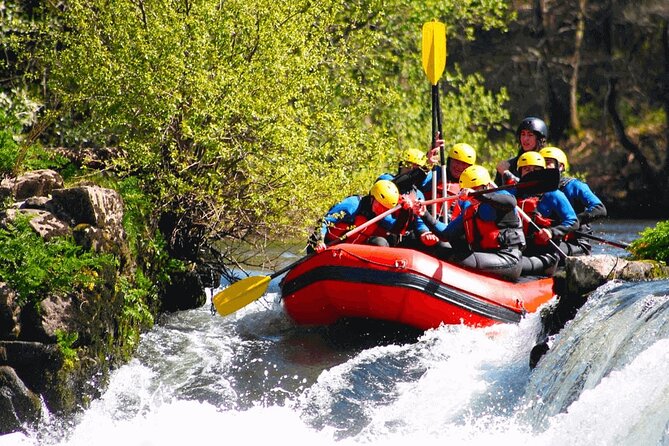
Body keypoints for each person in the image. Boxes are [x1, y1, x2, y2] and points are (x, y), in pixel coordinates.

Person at [410, 165, 526, 281]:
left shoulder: (501, 197)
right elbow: (445, 234)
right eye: (469, 190)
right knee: (441, 248)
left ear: (486, 186)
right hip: (486, 257)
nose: (472, 194)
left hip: (508, 258)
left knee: (457, 258)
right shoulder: (470, 210)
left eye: (476, 189)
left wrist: (479, 195)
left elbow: (511, 202)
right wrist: (424, 214)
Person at [513, 152, 578, 276]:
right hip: (520, 251)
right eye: (526, 169)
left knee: (513, 264)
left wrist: (551, 232)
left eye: (535, 169)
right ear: (520, 172)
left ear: (542, 172)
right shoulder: (512, 192)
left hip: (546, 255)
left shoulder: (553, 194)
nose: (531, 173)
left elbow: (573, 221)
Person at [539, 146, 607, 256]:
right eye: (541, 163)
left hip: (577, 243)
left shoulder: (574, 186)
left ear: (560, 166)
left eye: (548, 162)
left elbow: (600, 209)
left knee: (546, 249)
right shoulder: (536, 190)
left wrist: (569, 224)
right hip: (550, 239)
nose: (544, 166)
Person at [307, 179, 402, 253]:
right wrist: (320, 241)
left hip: (352, 253)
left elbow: (398, 228)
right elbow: (324, 222)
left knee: (381, 243)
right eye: (380, 206)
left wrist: (406, 210)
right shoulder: (352, 205)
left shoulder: (382, 216)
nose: (382, 211)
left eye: (385, 209)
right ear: (372, 198)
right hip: (328, 247)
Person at [376, 149, 440, 249]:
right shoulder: (385, 180)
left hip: (402, 237)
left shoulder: (418, 194)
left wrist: (424, 233)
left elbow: (420, 223)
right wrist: (425, 167)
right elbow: (400, 183)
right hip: (381, 233)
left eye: (416, 168)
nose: (411, 171)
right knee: (382, 242)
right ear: (401, 166)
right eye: (409, 166)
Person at [423, 136, 477, 220]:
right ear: (449, 161)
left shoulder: (472, 185)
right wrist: (427, 163)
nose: (459, 167)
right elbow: (421, 179)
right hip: (428, 220)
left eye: (464, 164)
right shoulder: (436, 172)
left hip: (451, 227)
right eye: (456, 161)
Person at [495, 117, 548, 185]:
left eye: (530, 135)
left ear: (540, 139)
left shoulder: (548, 162)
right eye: (523, 134)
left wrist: (507, 173)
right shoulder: (510, 165)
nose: (525, 139)